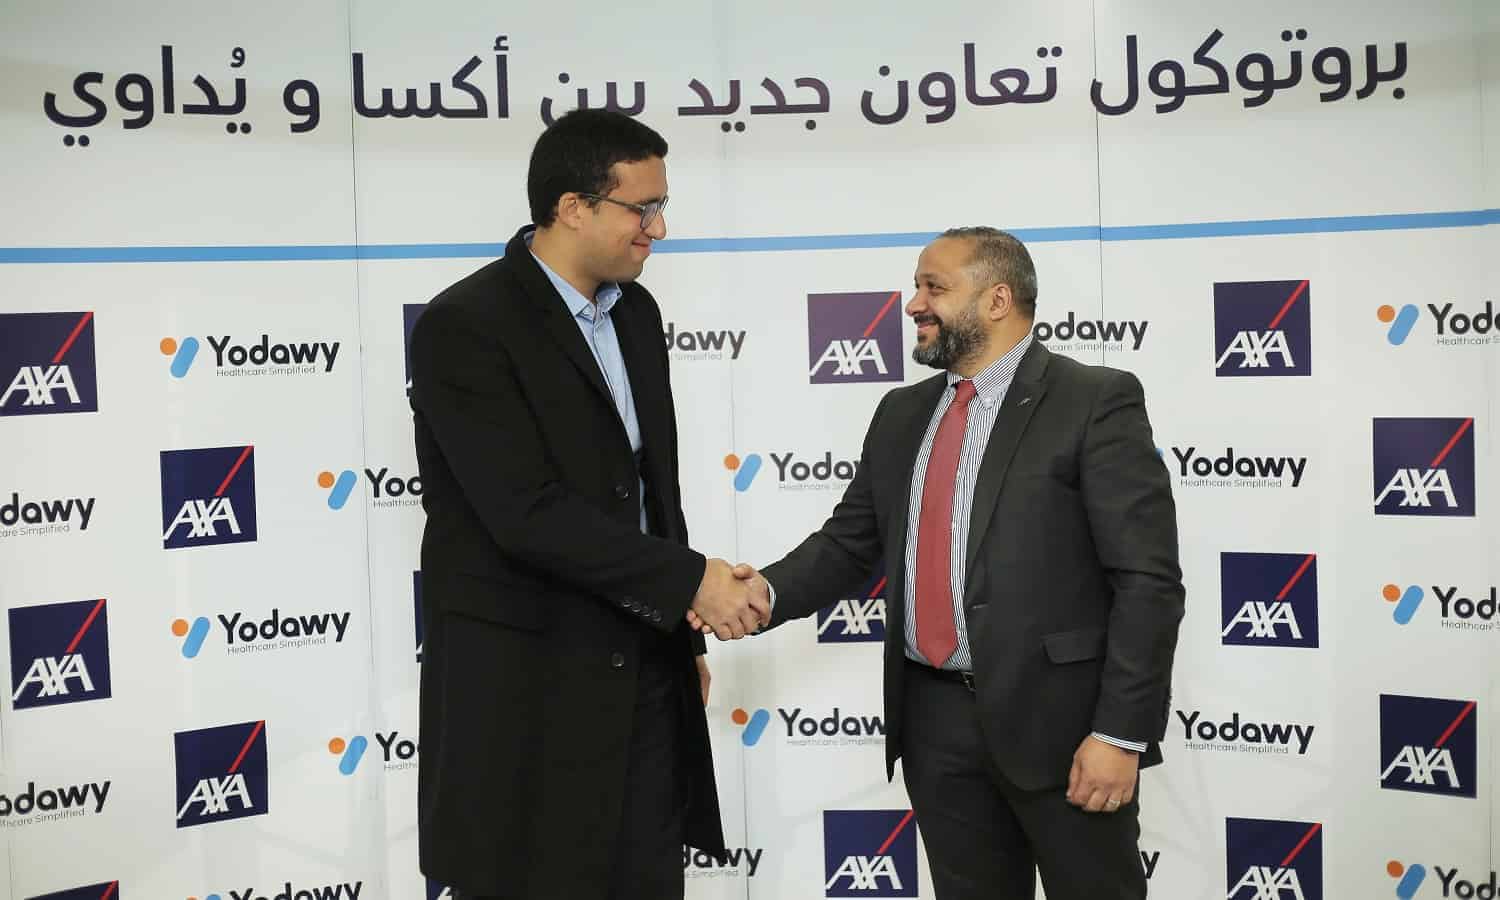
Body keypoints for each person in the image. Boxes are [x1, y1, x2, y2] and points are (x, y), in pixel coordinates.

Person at [703, 227, 1184, 899]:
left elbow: (1147, 581)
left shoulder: (1094, 400)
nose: (914, 304)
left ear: (997, 300)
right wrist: (759, 595)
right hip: (933, 724)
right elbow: (848, 544)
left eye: (934, 287)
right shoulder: (901, 413)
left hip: (1064, 727)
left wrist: (1119, 733)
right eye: (916, 286)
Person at [408, 108, 767, 900]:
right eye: (643, 208)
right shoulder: (465, 325)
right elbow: (524, 513)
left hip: (644, 669)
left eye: (661, 206)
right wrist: (693, 580)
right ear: (574, 207)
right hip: (528, 688)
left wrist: (685, 636)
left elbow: (653, 490)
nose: (658, 229)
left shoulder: (636, 313)